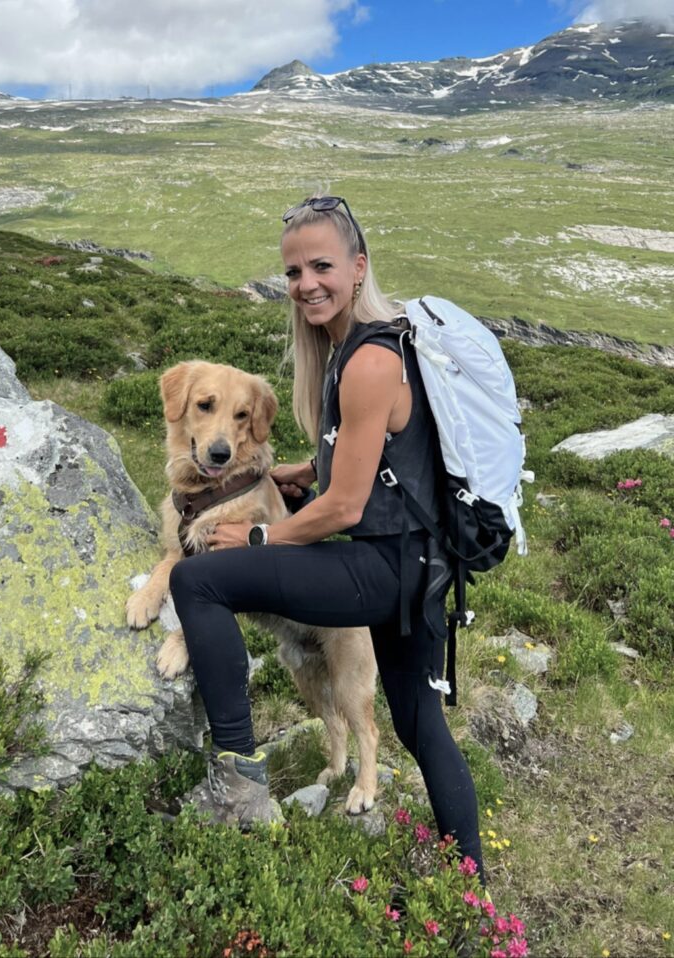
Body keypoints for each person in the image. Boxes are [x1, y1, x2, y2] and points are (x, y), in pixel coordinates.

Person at [169, 195, 485, 880]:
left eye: (321, 266)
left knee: (195, 579)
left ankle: (238, 781)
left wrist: (260, 536)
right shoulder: (368, 344)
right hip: (419, 569)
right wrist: (305, 467)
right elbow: (369, 454)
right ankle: (474, 891)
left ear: (358, 266)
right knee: (420, 724)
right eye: (292, 271)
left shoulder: (369, 361)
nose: (306, 283)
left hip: (384, 569)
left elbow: (343, 506)